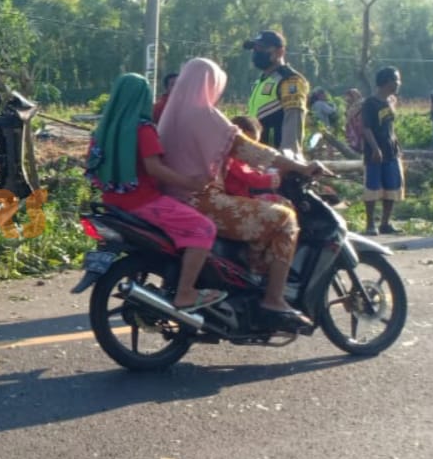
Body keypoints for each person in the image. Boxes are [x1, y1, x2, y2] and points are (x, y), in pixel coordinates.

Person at [160, 57, 331, 331]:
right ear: (209, 84)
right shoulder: (203, 114)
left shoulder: (172, 114)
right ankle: (273, 299)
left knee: (264, 211)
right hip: (201, 200)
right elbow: (251, 150)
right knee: (284, 218)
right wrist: (301, 167)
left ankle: (248, 276)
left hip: (174, 198)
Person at [86, 73, 223, 311]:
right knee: (204, 228)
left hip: (112, 203)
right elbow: (155, 169)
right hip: (143, 203)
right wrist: (190, 183)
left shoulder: (102, 131)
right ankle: (185, 292)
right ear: (143, 98)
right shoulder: (142, 130)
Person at [243, 30, 311, 156]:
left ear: (280, 52)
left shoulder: (289, 80)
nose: (257, 52)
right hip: (259, 155)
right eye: (255, 48)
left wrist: (289, 155)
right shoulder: (261, 81)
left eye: (262, 48)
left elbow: (293, 119)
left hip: (277, 158)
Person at [361, 67, 406, 235]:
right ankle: (370, 224)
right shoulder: (370, 103)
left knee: (392, 186)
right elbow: (366, 128)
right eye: (396, 80)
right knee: (372, 187)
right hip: (375, 151)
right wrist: (375, 149)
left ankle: (385, 223)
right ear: (387, 81)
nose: (399, 83)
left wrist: (396, 145)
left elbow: (390, 126)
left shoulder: (391, 101)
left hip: (391, 150)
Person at [226, 117, 286, 203]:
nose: (253, 147)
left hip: (242, 195)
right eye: (250, 143)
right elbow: (252, 179)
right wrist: (274, 178)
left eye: (256, 144)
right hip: (236, 198)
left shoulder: (238, 158)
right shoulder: (232, 159)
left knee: (280, 200)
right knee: (280, 201)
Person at [343, 88, 365, 154]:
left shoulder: (361, 102)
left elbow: (353, 112)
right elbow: (348, 113)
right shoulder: (350, 104)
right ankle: (357, 149)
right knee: (355, 137)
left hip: (359, 122)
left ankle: (362, 149)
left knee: (361, 136)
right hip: (353, 123)